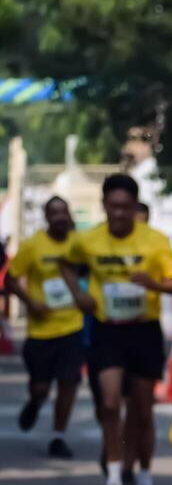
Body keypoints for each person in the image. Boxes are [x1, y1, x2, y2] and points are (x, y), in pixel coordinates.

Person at [60, 173, 172, 485]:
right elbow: (65, 264)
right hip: (107, 330)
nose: (118, 214)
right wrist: (79, 295)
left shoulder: (154, 241)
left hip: (143, 330)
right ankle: (114, 480)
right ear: (103, 206)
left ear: (135, 208)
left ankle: (144, 481)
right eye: (113, 206)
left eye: (125, 207)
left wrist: (154, 284)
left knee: (143, 411)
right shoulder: (88, 240)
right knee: (111, 404)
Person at [5, 196, 84, 458]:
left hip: (72, 326)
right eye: (54, 213)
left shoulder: (78, 244)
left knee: (68, 381)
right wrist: (30, 302)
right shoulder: (33, 246)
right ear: (46, 217)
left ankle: (58, 436)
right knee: (41, 387)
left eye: (64, 211)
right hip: (41, 330)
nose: (60, 217)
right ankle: (35, 401)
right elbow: (11, 281)